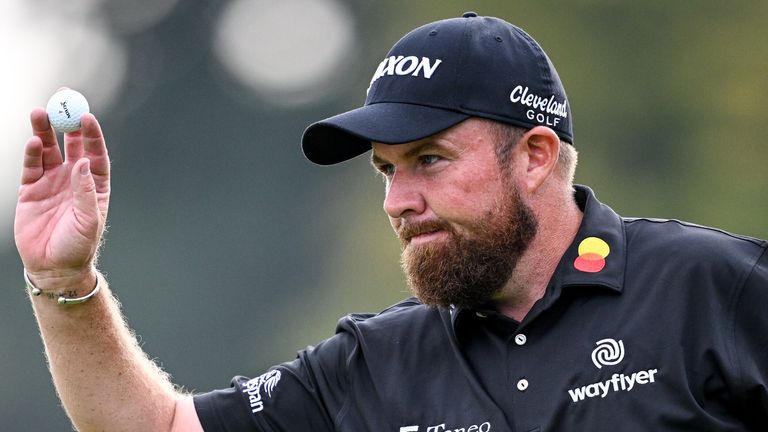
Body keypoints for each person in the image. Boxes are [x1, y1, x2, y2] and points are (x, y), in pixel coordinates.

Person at [14, 12, 768, 432]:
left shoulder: (712, 289)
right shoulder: (374, 364)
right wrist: (63, 281)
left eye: (430, 160)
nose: (397, 201)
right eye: (386, 169)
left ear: (536, 156)